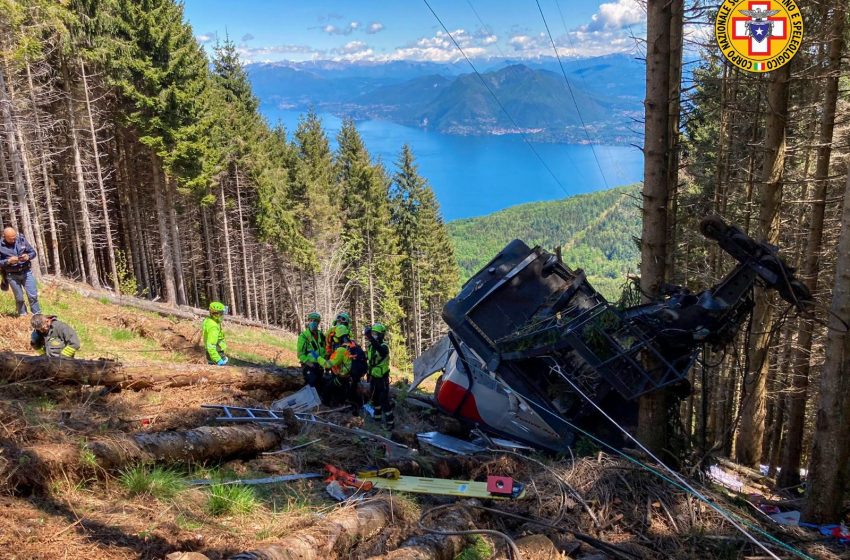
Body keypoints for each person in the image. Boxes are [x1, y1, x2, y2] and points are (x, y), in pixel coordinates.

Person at [0, 227, 40, 316]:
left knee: (33, 296)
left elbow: (33, 252)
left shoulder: (21, 240)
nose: (14, 240)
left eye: (15, 237)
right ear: (4, 237)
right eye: (11, 239)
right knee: (19, 298)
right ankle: (23, 316)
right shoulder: (0, 246)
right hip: (12, 275)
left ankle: (37, 315)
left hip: (26, 272)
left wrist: (28, 256)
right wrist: (8, 261)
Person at [318, 324, 358, 409]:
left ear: (338, 337)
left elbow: (327, 364)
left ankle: (327, 407)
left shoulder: (341, 350)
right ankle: (342, 404)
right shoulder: (353, 346)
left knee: (327, 388)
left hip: (342, 377)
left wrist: (317, 358)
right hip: (350, 376)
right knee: (341, 391)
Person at [365, 323, 394, 430]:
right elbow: (369, 360)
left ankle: (390, 423)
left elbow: (381, 352)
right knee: (374, 400)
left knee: (384, 401)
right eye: (372, 333)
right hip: (373, 378)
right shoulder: (370, 346)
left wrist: (370, 338)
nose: (373, 335)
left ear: (381, 335)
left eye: (375, 334)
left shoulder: (384, 346)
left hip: (382, 379)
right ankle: (377, 419)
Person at [297, 311, 326, 390]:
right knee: (311, 385)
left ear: (318, 322)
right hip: (309, 366)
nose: (313, 322)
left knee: (320, 386)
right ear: (308, 321)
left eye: (315, 321)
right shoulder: (304, 336)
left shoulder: (321, 335)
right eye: (311, 320)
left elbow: (325, 349)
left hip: (320, 366)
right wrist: (309, 363)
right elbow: (300, 354)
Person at [203, 301, 229, 365]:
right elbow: (211, 345)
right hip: (216, 353)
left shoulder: (209, 320)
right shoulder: (213, 327)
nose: (223, 315)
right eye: (221, 313)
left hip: (213, 353)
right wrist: (218, 360)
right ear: (216, 314)